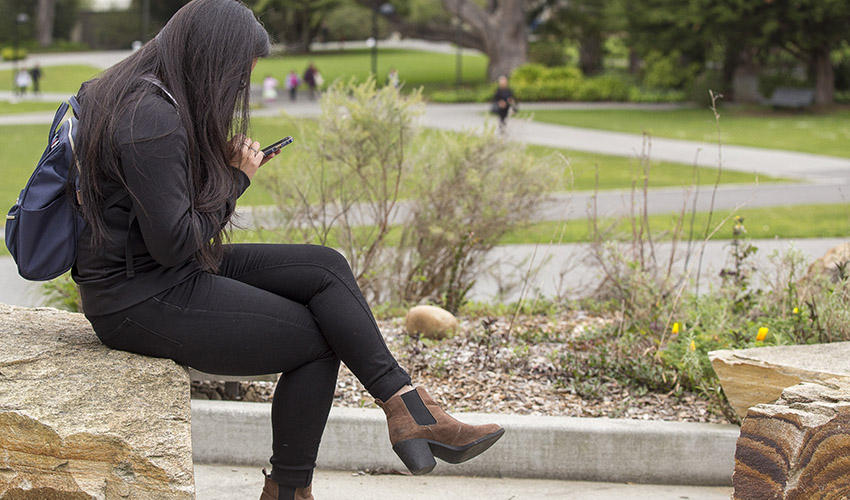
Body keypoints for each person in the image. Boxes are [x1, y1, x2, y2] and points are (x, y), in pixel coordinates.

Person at [71, 1, 504, 500]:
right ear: (211, 60)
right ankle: (290, 490)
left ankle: (408, 406)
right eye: (237, 77)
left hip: (150, 274)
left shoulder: (133, 92)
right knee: (320, 339)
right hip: (139, 297)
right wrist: (236, 180)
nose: (237, 90)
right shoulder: (151, 117)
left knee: (325, 266)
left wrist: (221, 164)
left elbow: (158, 213)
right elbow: (173, 243)